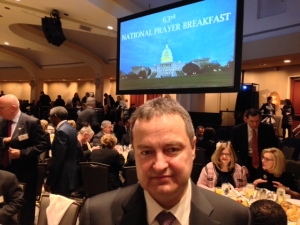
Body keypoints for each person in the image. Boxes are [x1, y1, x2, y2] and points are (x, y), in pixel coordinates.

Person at [80, 98, 251, 225]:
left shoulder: (235, 217)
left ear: (192, 149)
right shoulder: (96, 215)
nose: (160, 165)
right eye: (146, 152)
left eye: (172, 150)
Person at [0, 94, 50, 225]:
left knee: (25, 206)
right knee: (4, 204)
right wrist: (4, 140)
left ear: (13, 108)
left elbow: (43, 145)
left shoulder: (31, 122)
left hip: (25, 172)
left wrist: (22, 153)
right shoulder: (1, 122)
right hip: (4, 173)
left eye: (1, 107)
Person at [231, 108, 279, 182]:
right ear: (246, 119)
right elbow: (233, 150)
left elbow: (275, 147)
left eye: (257, 121)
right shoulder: (237, 130)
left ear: (260, 119)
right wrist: (241, 165)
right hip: (245, 160)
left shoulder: (268, 129)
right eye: (251, 121)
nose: (255, 124)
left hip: (263, 160)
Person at [45, 106, 78, 197]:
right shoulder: (70, 128)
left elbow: (58, 159)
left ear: (55, 116)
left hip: (62, 177)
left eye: (50, 117)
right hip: (69, 174)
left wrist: (50, 181)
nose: (50, 120)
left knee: (58, 207)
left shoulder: (61, 131)